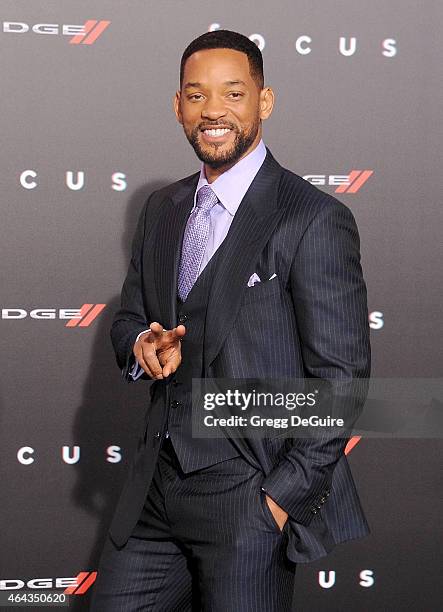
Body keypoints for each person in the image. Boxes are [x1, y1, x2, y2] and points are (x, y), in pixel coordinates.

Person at [90, 29, 371, 611]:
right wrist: (143, 343)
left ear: (264, 103)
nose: (213, 110)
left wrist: (279, 499)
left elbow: (341, 380)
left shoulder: (312, 217)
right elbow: (128, 319)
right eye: (196, 96)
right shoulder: (163, 208)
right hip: (153, 490)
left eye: (233, 94)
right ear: (177, 107)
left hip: (248, 492)